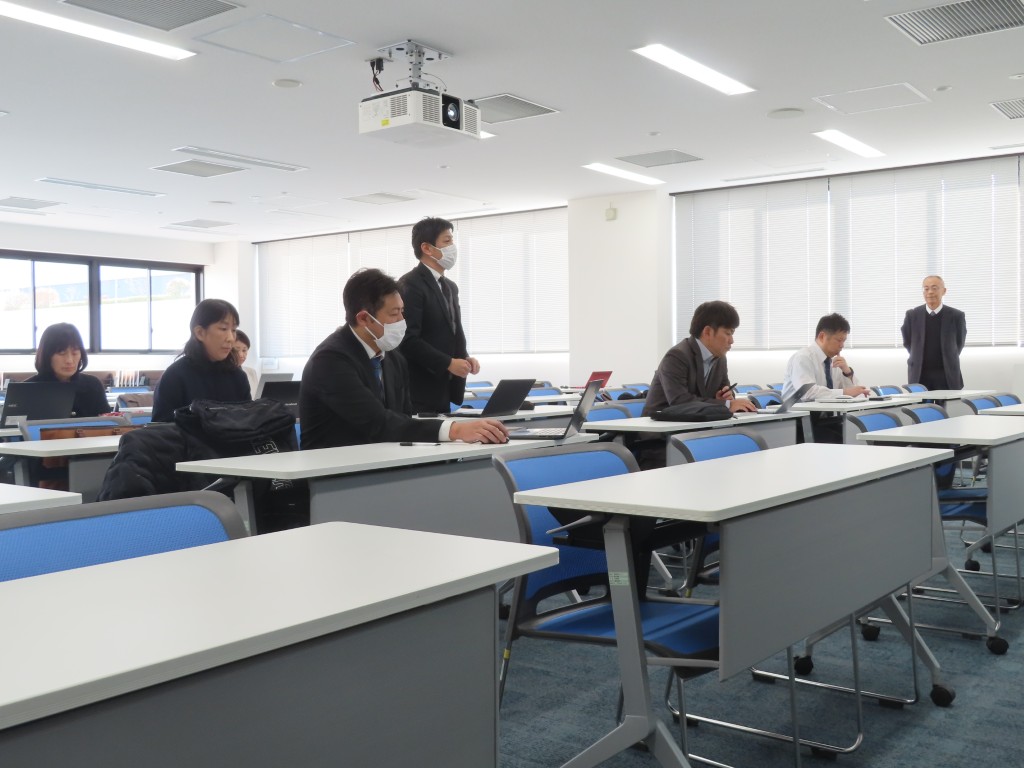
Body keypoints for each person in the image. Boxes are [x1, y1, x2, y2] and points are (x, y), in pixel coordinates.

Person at [299, 268, 508, 449]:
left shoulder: (393, 358)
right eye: (394, 314)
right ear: (364, 318)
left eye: (402, 311)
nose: (402, 321)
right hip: (334, 470)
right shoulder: (330, 360)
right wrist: (456, 430)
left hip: (385, 460)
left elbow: (403, 419)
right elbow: (378, 423)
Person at [398, 217, 479, 414]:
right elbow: (407, 339)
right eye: (447, 241)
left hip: (444, 386)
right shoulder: (411, 284)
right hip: (420, 388)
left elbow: (452, 331)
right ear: (427, 248)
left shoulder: (450, 286)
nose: (453, 247)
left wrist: (465, 357)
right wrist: (448, 363)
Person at [641, 300, 757, 417]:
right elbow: (680, 402)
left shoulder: (720, 358)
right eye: (728, 333)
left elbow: (724, 391)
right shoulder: (677, 356)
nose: (731, 340)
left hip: (698, 423)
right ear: (707, 332)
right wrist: (726, 405)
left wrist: (726, 397)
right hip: (658, 425)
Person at [152, 299, 251, 422]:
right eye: (223, 328)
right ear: (200, 333)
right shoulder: (175, 376)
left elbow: (249, 423)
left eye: (234, 330)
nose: (231, 338)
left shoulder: (238, 376)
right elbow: (161, 428)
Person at [782, 313, 871, 443]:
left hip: (824, 419)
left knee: (853, 430)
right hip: (797, 422)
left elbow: (854, 393)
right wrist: (845, 392)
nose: (842, 345)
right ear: (822, 336)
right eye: (839, 340)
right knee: (848, 437)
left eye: (844, 341)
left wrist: (847, 372)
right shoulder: (803, 358)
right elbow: (807, 393)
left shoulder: (834, 362)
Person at [27, 323, 109, 417]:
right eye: (62, 353)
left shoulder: (93, 385)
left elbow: (108, 422)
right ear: (46, 355)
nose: (69, 360)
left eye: (75, 353)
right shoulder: (27, 390)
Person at [901, 275, 967, 390]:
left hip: (947, 375)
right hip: (920, 374)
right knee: (920, 402)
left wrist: (948, 356)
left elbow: (959, 343)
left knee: (948, 402)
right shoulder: (912, 315)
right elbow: (907, 342)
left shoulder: (956, 316)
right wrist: (918, 354)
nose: (930, 292)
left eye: (934, 288)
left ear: (944, 291)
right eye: (926, 288)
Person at [234, 330, 259, 399]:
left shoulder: (251, 372)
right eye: (236, 350)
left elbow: (257, 398)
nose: (241, 355)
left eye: (244, 350)